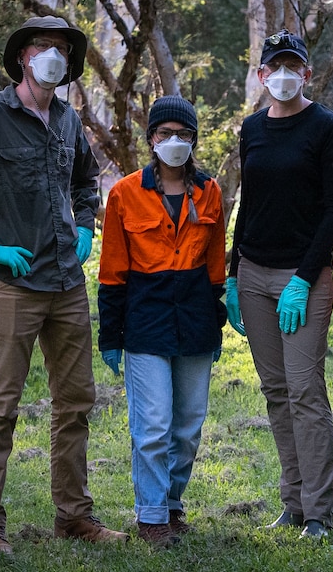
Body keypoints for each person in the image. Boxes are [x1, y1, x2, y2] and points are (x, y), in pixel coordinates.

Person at [0, 16, 128, 554]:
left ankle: (74, 516)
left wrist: (85, 222)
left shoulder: (67, 120)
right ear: (22, 56)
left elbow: (85, 178)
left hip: (66, 282)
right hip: (13, 283)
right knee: (0, 407)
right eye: (44, 45)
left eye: (61, 47)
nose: (53, 54)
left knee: (75, 402)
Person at [225, 29, 333, 540]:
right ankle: (293, 502)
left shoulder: (326, 127)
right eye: (272, 67)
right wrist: (234, 274)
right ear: (261, 76)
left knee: (304, 391)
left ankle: (319, 513)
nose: (282, 75)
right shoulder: (251, 130)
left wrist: (304, 278)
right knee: (276, 391)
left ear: (306, 73)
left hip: (305, 275)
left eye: (291, 67)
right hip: (253, 273)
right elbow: (247, 203)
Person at [97, 96, 226, 548]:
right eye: (165, 133)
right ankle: (150, 515)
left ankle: (172, 505)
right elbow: (112, 270)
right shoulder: (125, 193)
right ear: (151, 139)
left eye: (184, 134)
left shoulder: (209, 192)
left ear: (194, 140)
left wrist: (217, 322)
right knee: (152, 426)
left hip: (195, 321)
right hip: (145, 323)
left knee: (188, 427)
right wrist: (110, 336)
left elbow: (215, 265)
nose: (175, 142)